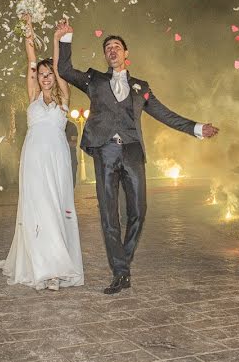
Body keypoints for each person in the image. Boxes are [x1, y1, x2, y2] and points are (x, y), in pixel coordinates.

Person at [56, 19, 218, 294]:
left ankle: (123, 260)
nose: (112, 50)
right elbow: (64, 69)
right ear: (105, 55)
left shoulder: (141, 87)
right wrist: (65, 38)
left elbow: (164, 114)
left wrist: (196, 128)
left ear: (125, 54)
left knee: (138, 212)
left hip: (132, 152)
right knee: (109, 216)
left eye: (116, 46)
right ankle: (121, 273)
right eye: (107, 47)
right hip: (105, 151)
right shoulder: (94, 80)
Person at [0, 14, 83, 291]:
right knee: (37, 209)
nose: (44, 77)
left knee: (55, 207)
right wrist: (28, 30)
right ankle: (43, 268)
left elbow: (58, 64)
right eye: (40, 74)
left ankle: (56, 267)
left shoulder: (64, 98)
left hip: (56, 159)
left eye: (48, 74)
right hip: (32, 159)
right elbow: (30, 57)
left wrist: (57, 39)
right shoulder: (31, 96)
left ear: (54, 77)